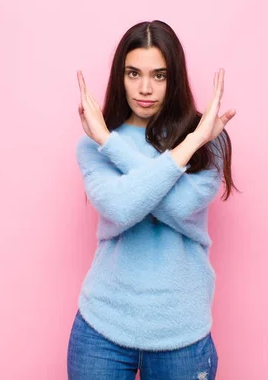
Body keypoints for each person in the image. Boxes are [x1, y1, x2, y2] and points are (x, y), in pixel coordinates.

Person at [68, 20, 237, 380]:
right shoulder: (92, 143)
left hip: (182, 332)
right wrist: (107, 141)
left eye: (159, 75)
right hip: (103, 327)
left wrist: (192, 140)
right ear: (120, 76)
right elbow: (120, 208)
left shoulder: (209, 140)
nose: (145, 88)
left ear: (174, 77)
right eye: (134, 73)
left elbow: (178, 208)